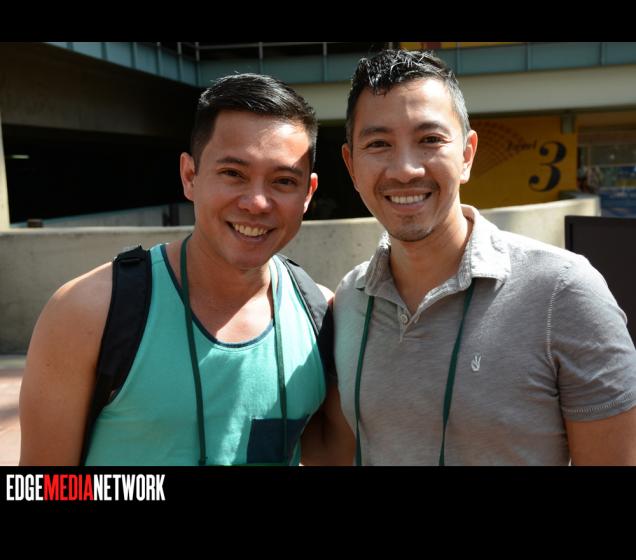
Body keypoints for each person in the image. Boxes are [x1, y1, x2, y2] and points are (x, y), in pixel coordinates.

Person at [306, 49, 636, 466]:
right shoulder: (351, 299)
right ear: (352, 166)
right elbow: (334, 451)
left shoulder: (564, 292)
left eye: (430, 140)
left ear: (466, 154)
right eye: (379, 144)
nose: (405, 169)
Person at [19, 73, 333, 466]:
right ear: (190, 176)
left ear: (307, 194)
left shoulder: (322, 316)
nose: (256, 202)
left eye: (283, 181)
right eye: (233, 173)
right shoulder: (88, 312)